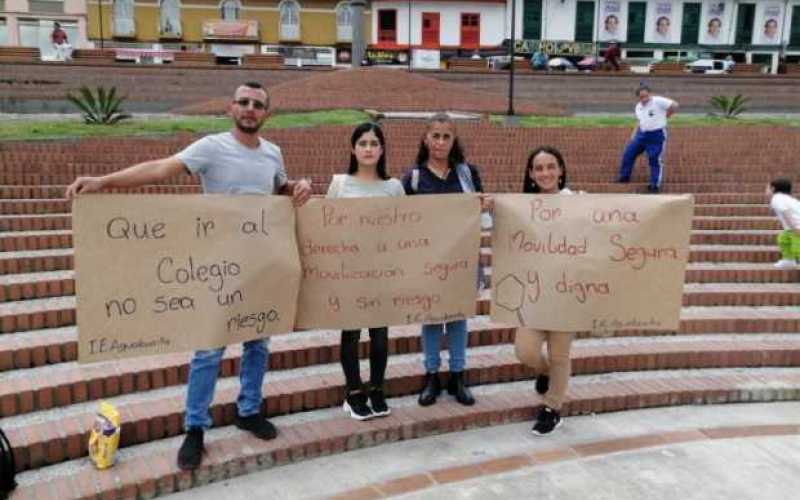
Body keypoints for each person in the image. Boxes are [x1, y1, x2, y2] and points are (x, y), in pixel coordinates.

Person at [65, 82, 313, 471]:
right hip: (216, 267)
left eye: (258, 105)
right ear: (231, 107)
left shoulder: (272, 153)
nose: (250, 109)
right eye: (244, 102)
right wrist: (104, 181)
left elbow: (279, 189)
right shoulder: (211, 147)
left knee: (258, 344)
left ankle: (248, 409)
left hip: (260, 266)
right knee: (208, 351)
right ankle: (195, 427)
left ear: (267, 113)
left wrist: (297, 188)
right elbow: (162, 168)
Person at [402, 113, 488, 407]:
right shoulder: (413, 177)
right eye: (435, 135)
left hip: (461, 260)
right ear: (425, 139)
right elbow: (402, 221)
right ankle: (431, 375)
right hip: (427, 261)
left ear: (454, 141)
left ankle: (458, 375)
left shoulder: (467, 174)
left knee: (458, 317)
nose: (440, 142)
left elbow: (482, 219)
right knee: (430, 319)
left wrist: (482, 206)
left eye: (446, 136)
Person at [326, 122, 405, 420]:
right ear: (353, 148)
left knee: (380, 335)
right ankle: (353, 391)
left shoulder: (393, 187)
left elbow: (406, 227)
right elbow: (326, 227)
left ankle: (377, 388)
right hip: (348, 273)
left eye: (374, 143)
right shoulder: (340, 184)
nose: (369, 148)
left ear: (382, 149)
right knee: (351, 334)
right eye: (363, 143)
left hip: (382, 272)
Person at [516, 145, 577, 434]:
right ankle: (544, 372)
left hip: (567, 292)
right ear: (530, 173)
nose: (545, 173)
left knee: (560, 355)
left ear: (561, 169)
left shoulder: (576, 202)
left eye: (551, 166)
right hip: (534, 293)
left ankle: (552, 407)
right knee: (525, 351)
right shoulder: (522, 207)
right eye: (539, 168)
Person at [617, 83, 678, 193]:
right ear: (638, 97)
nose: (644, 99)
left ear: (650, 94)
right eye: (641, 97)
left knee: (654, 159)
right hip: (641, 135)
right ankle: (624, 177)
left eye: (646, 96)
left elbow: (675, 105)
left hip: (657, 135)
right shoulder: (638, 106)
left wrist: (667, 115)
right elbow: (640, 121)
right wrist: (633, 135)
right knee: (628, 154)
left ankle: (654, 185)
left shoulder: (658, 101)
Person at [767, 178, 800, 269]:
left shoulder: (776, 198)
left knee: (797, 246)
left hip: (796, 226)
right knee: (783, 239)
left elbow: (786, 212)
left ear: (773, 189)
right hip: (792, 227)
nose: (766, 190)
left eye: (767, 188)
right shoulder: (788, 198)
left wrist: (794, 227)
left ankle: (789, 260)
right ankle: (789, 260)